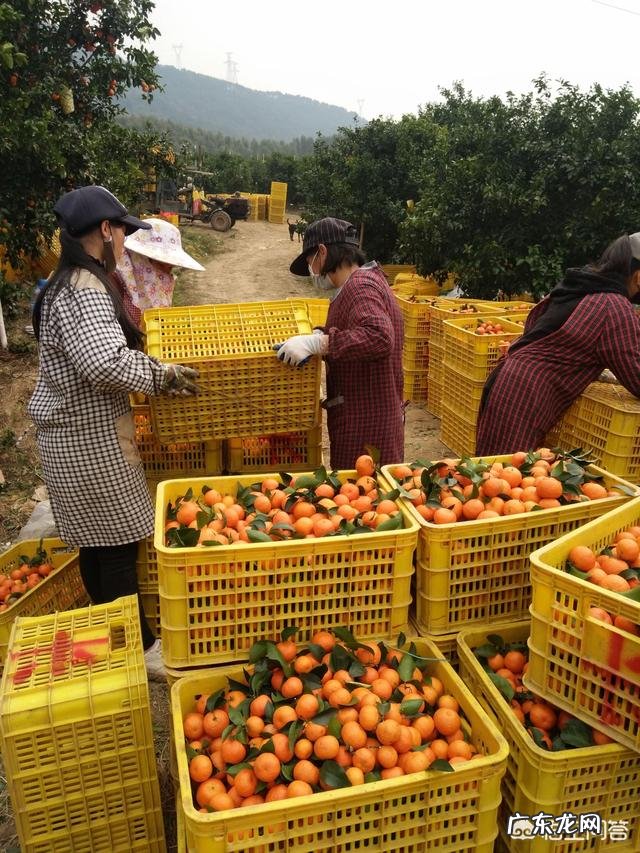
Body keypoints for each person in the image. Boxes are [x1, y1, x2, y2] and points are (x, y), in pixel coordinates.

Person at [28, 185, 199, 680]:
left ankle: (111, 641)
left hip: (78, 432)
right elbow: (102, 362)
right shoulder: (83, 287)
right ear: (105, 230)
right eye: (122, 230)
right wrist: (160, 376)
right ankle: (137, 650)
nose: (125, 240)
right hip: (87, 439)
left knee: (99, 546)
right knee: (120, 544)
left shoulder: (72, 282)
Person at [476, 232, 640, 455]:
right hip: (524, 395)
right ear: (638, 277)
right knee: (503, 476)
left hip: (508, 380)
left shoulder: (581, 286)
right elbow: (635, 373)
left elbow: (535, 323)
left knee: (494, 469)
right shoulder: (614, 307)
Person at [277, 217, 404, 468]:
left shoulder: (360, 287)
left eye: (310, 262)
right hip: (368, 415)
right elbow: (357, 329)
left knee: (363, 498)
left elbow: (379, 336)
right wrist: (319, 334)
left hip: (367, 425)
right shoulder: (362, 284)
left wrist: (321, 344)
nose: (312, 272)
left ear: (322, 252)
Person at [113, 217, 204, 327]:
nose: (166, 277)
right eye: (161, 265)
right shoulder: (112, 289)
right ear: (139, 260)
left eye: (170, 269)